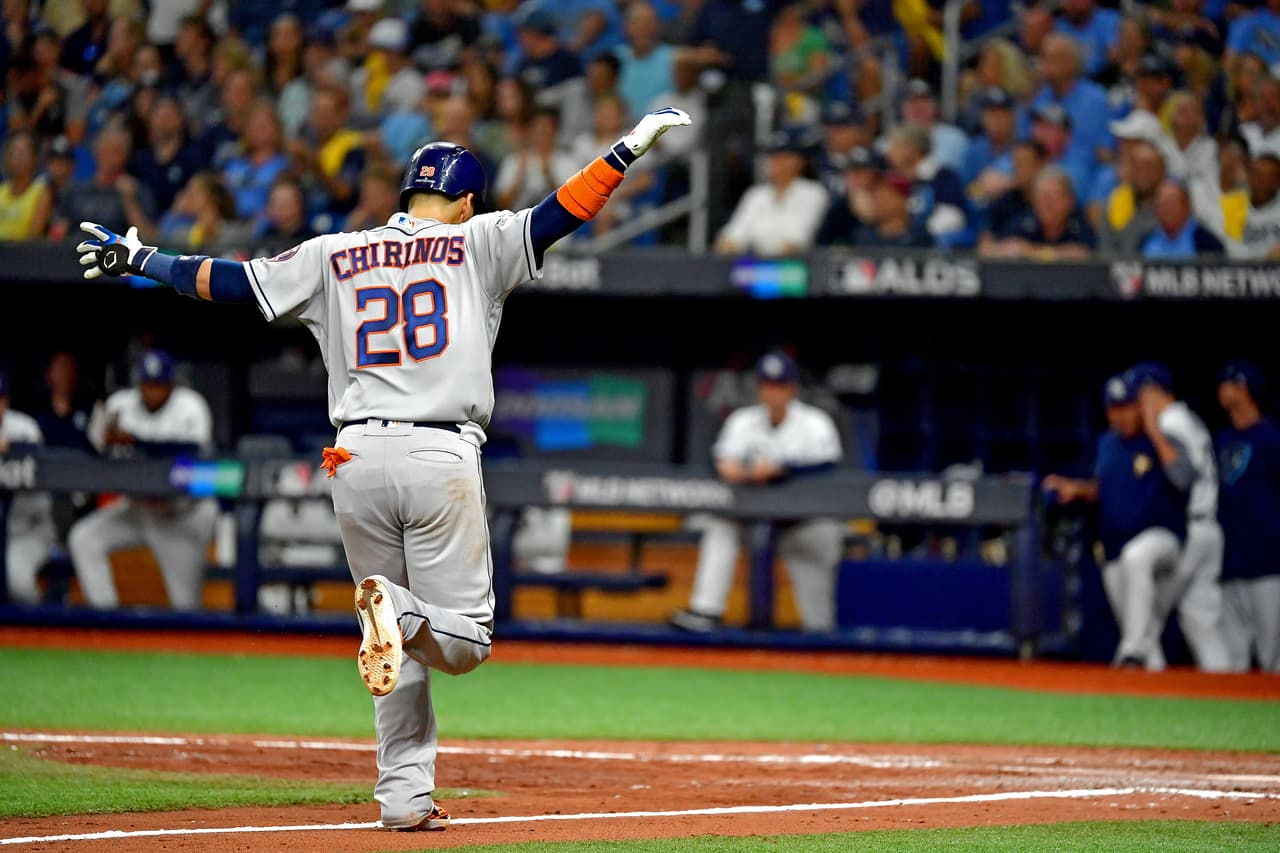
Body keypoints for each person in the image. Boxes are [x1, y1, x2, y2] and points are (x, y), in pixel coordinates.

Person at [75, 106, 691, 831]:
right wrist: (626, 148)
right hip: (438, 452)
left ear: (407, 195)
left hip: (355, 455)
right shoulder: (477, 240)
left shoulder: (336, 251)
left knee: (396, 647)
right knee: (463, 637)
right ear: (466, 201)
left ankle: (402, 796)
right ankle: (396, 616)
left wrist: (141, 260)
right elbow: (562, 212)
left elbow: (230, 282)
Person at [669, 352, 843, 634]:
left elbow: (827, 467)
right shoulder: (743, 421)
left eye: (779, 385)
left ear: (792, 388)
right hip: (749, 520)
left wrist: (781, 470)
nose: (772, 392)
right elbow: (720, 461)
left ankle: (821, 632)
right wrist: (727, 468)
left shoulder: (815, 422)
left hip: (801, 523)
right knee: (720, 525)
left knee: (819, 621)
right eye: (767, 385)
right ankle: (706, 610)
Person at [1043, 374, 1187, 670]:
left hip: (1161, 539)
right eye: (1113, 408)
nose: (1120, 415)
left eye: (1126, 407)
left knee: (1138, 557)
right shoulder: (1107, 443)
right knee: (1140, 630)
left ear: (1139, 406)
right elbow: (1105, 487)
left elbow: (1184, 477)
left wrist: (1154, 428)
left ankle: (1129, 653)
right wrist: (1077, 489)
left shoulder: (1160, 437)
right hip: (1114, 547)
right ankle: (1150, 675)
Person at [68, 350, 217, 612]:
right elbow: (90, 452)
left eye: (158, 385)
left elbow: (193, 455)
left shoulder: (191, 406)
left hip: (181, 517)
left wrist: (136, 442)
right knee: (83, 538)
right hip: (136, 510)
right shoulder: (119, 405)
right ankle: (107, 622)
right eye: (147, 384)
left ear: (171, 384)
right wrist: (102, 437)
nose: (152, 392)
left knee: (186, 608)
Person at [1130, 363, 1232, 672]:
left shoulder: (1170, 420)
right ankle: (1229, 695)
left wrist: (1154, 431)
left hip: (1191, 530)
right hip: (1210, 528)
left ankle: (1144, 693)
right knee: (1202, 623)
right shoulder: (1189, 418)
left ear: (1152, 392)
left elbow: (1182, 476)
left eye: (1140, 395)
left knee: (1148, 616)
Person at [1215, 362, 1280, 672]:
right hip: (1230, 556)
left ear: (1246, 389)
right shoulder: (1221, 440)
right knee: (1233, 656)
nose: (1223, 391)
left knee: (1273, 654)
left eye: (1230, 385)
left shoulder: (1271, 437)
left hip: (1269, 557)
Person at [714, 131, 828, 256]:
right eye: (771, 157)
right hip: (754, 265)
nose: (774, 163)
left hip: (797, 268)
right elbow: (728, 240)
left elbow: (795, 244)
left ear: (798, 161)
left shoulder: (813, 193)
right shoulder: (756, 194)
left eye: (782, 157)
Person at [0, 371, 57, 606]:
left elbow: (37, 459)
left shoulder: (24, 428)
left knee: (19, 582)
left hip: (28, 530)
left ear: (6, 401)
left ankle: (42, 636)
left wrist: (13, 449)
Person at [882, 123, 969, 247]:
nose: (890, 152)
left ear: (912, 149)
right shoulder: (892, 179)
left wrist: (912, 232)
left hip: (932, 248)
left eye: (895, 147)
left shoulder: (943, 176)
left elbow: (951, 218)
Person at [981, 166, 1095, 260]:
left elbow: (1086, 254)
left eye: (1053, 198)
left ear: (1069, 200)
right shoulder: (1023, 224)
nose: (1047, 205)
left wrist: (1033, 252)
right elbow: (990, 249)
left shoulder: (1079, 225)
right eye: (1042, 198)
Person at [1099, 140, 1168, 255]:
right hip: (1122, 270)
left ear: (1162, 171)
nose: (1143, 174)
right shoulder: (1115, 203)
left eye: (1149, 168)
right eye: (1138, 168)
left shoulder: (1173, 203)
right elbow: (1105, 251)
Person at [1140, 180, 1225, 258]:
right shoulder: (1146, 240)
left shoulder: (1208, 243)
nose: (1166, 208)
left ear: (1187, 206)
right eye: (1162, 203)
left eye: (1172, 202)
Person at [856, 172, 932, 248]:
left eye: (886, 196)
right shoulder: (864, 238)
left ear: (903, 199)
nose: (878, 202)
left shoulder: (924, 235)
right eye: (875, 195)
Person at [0, 131, 53, 240]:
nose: (18, 158)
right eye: (14, 152)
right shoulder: (1, 190)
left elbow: (32, 238)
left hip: (23, 254)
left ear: (34, 158)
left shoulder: (42, 193)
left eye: (23, 153)